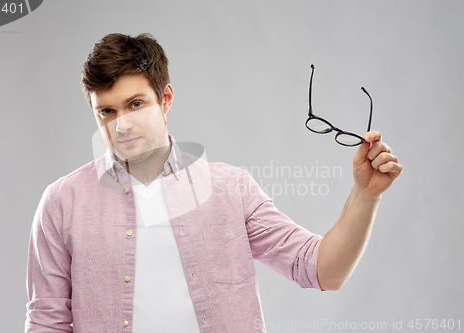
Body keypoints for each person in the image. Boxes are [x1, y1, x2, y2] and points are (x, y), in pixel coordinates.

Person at [25, 33, 403, 333]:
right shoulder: (62, 203)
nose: (121, 124)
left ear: (165, 98)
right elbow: (47, 323)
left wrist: (365, 194)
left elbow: (323, 270)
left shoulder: (230, 189)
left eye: (135, 104)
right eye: (107, 111)